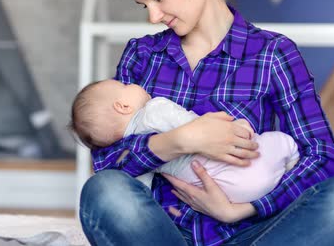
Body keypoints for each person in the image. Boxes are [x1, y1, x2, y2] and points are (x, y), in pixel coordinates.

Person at [78, 0, 334, 245]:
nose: (152, 16)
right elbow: (107, 160)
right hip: (162, 234)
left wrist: (244, 209)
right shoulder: (143, 55)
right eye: (144, 4)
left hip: (248, 234)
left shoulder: (272, 53)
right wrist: (181, 140)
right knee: (103, 191)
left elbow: (323, 156)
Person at [70, 79, 300, 203]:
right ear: (123, 106)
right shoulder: (155, 108)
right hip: (244, 166)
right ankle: (291, 158)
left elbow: (138, 192)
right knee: (278, 141)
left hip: (229, 193)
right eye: (124, 86)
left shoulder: (130, 151)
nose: (131, 84)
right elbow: (198, 126)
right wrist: (233, 128)